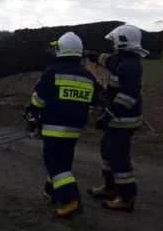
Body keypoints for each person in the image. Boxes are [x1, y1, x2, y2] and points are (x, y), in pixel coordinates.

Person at [27, 32, 97, 218]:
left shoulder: (52, 71)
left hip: (53, 127)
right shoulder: (88, 76)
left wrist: (32, 114)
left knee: (54, 163)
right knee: (63, 162)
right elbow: (97, 100)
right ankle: (52, 192)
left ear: (61, 49)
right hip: (75, 130)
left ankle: (71, 200)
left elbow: (39, 98)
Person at [85, 24, 147, 212]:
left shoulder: (129, 66)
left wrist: (108, 114)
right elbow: (107, 60)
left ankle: (126, 197)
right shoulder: (121, 59)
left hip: (123, 120)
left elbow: (129, 96)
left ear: (122, 43)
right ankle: (110, 187)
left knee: (118, 157)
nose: (112, 44)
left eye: (114, 41)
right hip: (116, 118)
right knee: (107, 151)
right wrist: (89, 54)